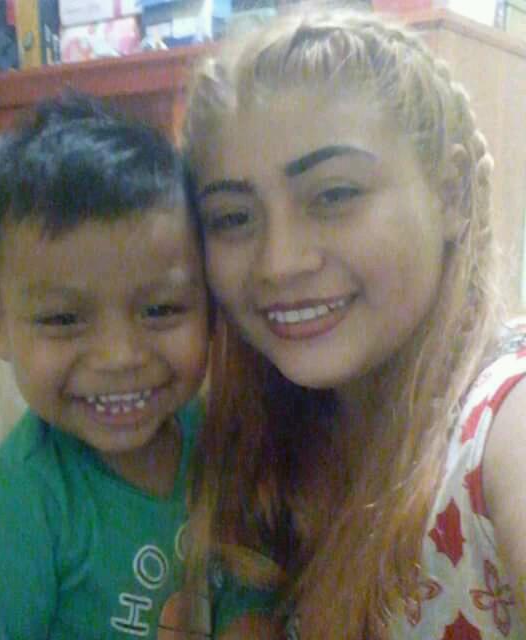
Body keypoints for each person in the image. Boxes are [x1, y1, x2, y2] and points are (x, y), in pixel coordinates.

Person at [182, 8, 526, 639]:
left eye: (334, 195)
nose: (279, 262)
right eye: (233, 218)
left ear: (451, 193)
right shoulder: (261, 450)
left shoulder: (503, 422)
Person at [0, 94, 272, 639]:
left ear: (211, 306)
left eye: (161, 309)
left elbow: (252, 597)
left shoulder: (225, 445)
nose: (119, 356)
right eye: (63, 319)